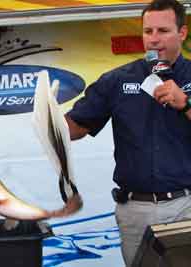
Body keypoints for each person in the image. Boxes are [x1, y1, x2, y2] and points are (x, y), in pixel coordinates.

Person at [65, 0, 191, 265]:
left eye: (163, 31)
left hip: (186, 205)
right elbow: (74, 128)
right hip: (134, 209)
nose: (154, 40)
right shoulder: (117, 79)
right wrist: (48, 119)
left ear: (182, 32)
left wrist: (186, 103)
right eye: (148, 32)